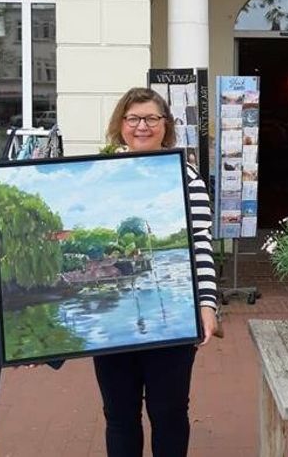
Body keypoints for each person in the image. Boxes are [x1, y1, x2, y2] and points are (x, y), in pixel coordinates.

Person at [96, 87, 219, 457]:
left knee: (168, 413)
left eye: (152, 118)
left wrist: (207, 304)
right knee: (119, 415)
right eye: (133, 118)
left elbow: (199, 242)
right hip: (116, 324)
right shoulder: (101, 174)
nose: (142, 126)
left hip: (175, 319)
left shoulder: (187, 176)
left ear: (166, 126)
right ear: (121, 125)